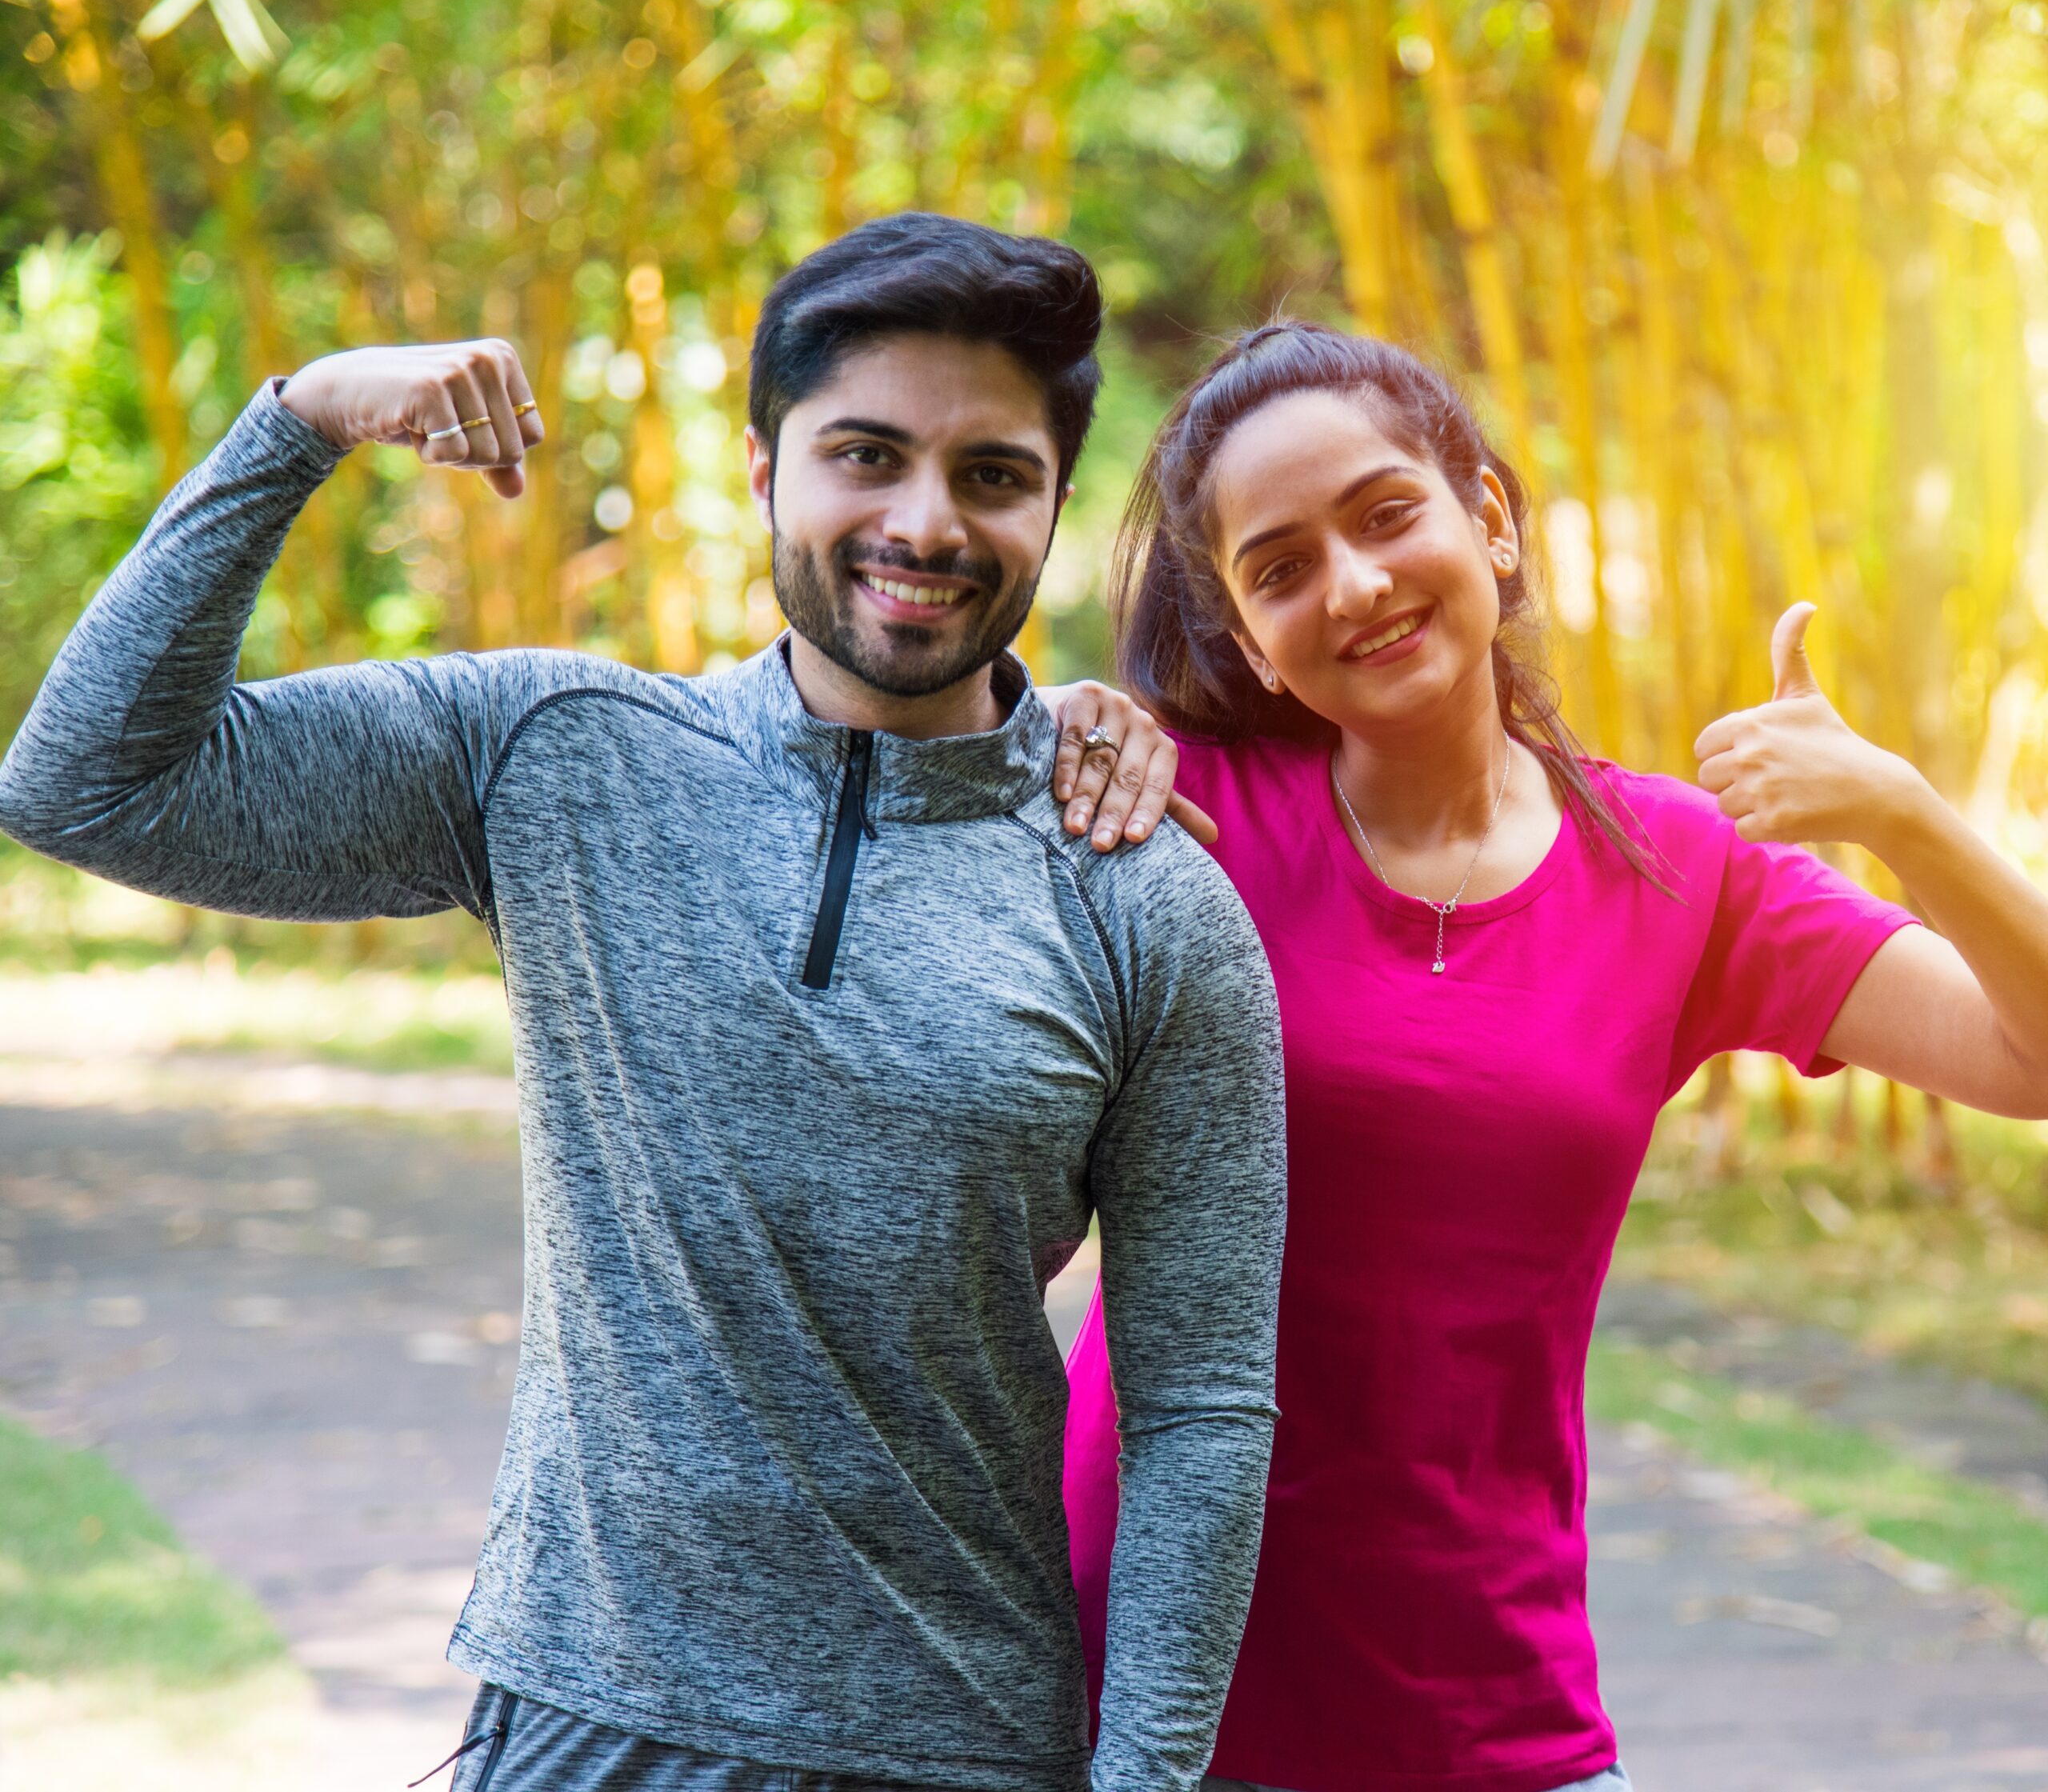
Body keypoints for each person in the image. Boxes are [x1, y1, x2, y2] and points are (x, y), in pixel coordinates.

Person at [0, 214, 1289, 1792]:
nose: (922, 521)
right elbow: (87, 786)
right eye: (864, 455)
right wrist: (303, 420)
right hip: (579, 1728)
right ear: (761, 466)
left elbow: (1197, 1414)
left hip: (950, 1746)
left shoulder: (1144, 898)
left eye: (990, 476)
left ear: (1051, 508)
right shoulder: (559, 757)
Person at [1041, 322, 2048, 1792]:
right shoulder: (1182, 826)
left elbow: (2028, 1054)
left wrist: (1902, 809)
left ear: (1490, 520)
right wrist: (1047, 736)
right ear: (1249, 636)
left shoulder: (1670, 869)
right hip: (1150, 1689)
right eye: (1283, 567)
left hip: (1486, 1695)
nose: (1358, 584)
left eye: (1388, 515)